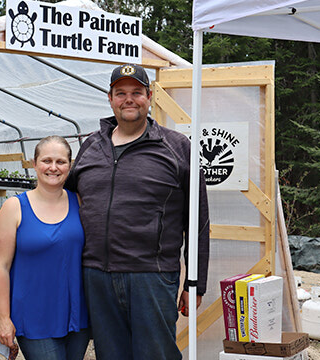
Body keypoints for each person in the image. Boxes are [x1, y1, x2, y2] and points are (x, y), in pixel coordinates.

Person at [64, 63, 210, 360]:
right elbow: (62, 200)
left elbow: (198, 221)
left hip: (152, 277)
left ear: (150, 96)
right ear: (110, 98)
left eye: (136, 92)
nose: (128, 99)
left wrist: (195, 283)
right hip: (96, 276)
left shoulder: (176, 147)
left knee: (156, 355)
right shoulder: (91, 145)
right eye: (121, 93)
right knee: (110, 355)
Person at [0, 135, 90, 360]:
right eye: (46, 161)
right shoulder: (14, 208)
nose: (53, 168)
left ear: (69, 166)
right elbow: (1, 267)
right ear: (34, 163)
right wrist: (3, 319)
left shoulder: (80, 203)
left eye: (61, 162)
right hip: (33, 316)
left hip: (76, 315)